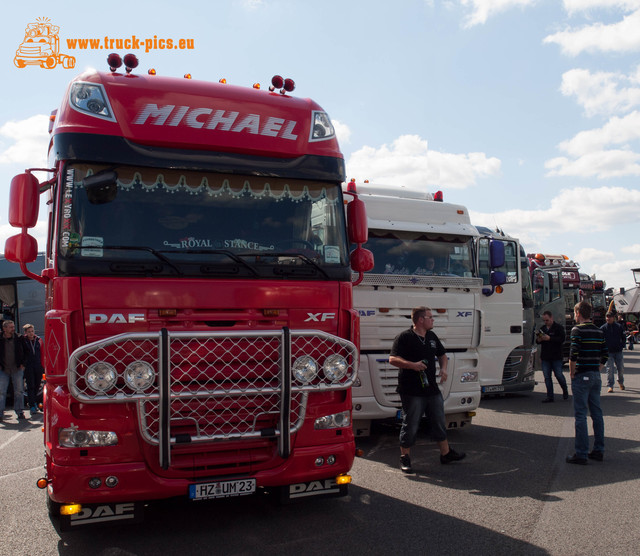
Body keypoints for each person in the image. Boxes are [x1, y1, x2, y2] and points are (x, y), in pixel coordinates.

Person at [389, 306, 465, 473]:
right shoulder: (405, 337)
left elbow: (442, 355)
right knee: (411, 423)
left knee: (438, 420)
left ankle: (446, 454)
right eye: (430, 317)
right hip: (411, 389)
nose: (433, 320)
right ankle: (405, 458)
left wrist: (444, 369)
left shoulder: (431, 336)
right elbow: (392, 359)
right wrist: (412, 365)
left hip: (431, 388)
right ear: (420, 320)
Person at [566, 301, 607, 465]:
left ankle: (581, 453)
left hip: (582, 375)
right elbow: (605, 354)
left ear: (578, 313)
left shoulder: (577, 330)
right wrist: (597, 368)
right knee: (597, 413)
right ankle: (598, 450)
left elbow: (573, 353)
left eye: (575, 313)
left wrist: (572, 373)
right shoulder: (598, 331)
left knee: (581, 415)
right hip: (595, 376)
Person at [536, 311, 568, 402]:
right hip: (545, 356)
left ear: (551, 318)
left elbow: (562, 339)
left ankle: (565, 390)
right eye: (544, 320)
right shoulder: (542, 328)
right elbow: (537, 341)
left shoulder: (558, 328)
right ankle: (550, 396)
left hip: (556, 356)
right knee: (547, 377)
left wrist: (550, 338)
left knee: (558, 375)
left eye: (547, 320)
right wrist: (539, 338)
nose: (546, 322)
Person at [0, 320, 27, 422]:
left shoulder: (19, 338)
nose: (13, 329)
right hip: (3, 369)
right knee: (1, 392)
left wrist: (23, 364)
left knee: (19, 391)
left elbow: (26, 351)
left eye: (13, 327)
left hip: (17, 369)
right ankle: (0, 414)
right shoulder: (0, 339)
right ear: (4, 329)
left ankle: (20, 412)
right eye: (10, 327)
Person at [600, 312, 626, 393]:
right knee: (609, 369)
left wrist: (622, 345)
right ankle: (610, 385)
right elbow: (600, 340)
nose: (608, 318)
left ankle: (620, 382)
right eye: (607, 317)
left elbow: (623, 337)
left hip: (618, 351)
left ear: (613, 318)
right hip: (608, 352)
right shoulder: (603, 328)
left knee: (620, 368)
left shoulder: (619, 327)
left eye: (610, 317)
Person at [21, 323, 44, 415]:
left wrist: (43, 365)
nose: (31, 333)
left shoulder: (38, 340)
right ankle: (32, 405)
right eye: (29, 332)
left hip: (38, 365)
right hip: (28, 366)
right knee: (30, 385)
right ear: (26, 332)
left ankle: (34, 401)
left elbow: (42, 352)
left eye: (32, 331)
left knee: (37, 385)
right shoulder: (23, 341)